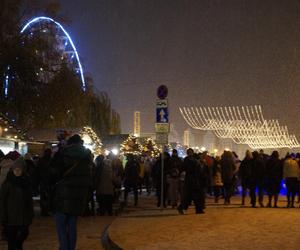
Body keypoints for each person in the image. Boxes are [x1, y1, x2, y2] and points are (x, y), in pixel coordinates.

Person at [50, 134, 91, 250]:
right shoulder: (87, 157)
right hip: (78, 198)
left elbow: (53, 173)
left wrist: (58, 153)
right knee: (72, 225)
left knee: (61, 226)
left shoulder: (64, 154)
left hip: (62, 196)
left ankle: (64, 247)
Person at [0, 157, 33, 250]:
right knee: (11, 239)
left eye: (19, 169)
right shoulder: (7, 183)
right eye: (15, 169)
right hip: (11, 217)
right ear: (12, 170)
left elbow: (29, 200)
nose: (17, 171)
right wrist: (3, 216)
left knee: (23, 234)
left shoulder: (26, 182)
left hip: (23, 216)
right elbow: (2, 201)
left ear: (23, 170)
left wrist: (30, 215)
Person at [177, 148, 207, 214]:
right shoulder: (194, 160)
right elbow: (198, 171)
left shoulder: (187, 160)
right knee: (196, 196)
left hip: (190, 180)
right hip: (194, 180)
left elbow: (182, 168)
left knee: (190, 196)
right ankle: (198, 209)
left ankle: (183, 207)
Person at [37, 148, 52, 216]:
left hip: (42, 180)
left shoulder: (41, 160)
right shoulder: (51, 160)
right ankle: (46, 210)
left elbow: (37, 170)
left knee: (43, 196)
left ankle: (44, 210)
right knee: (47, 196)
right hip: (48, 181)